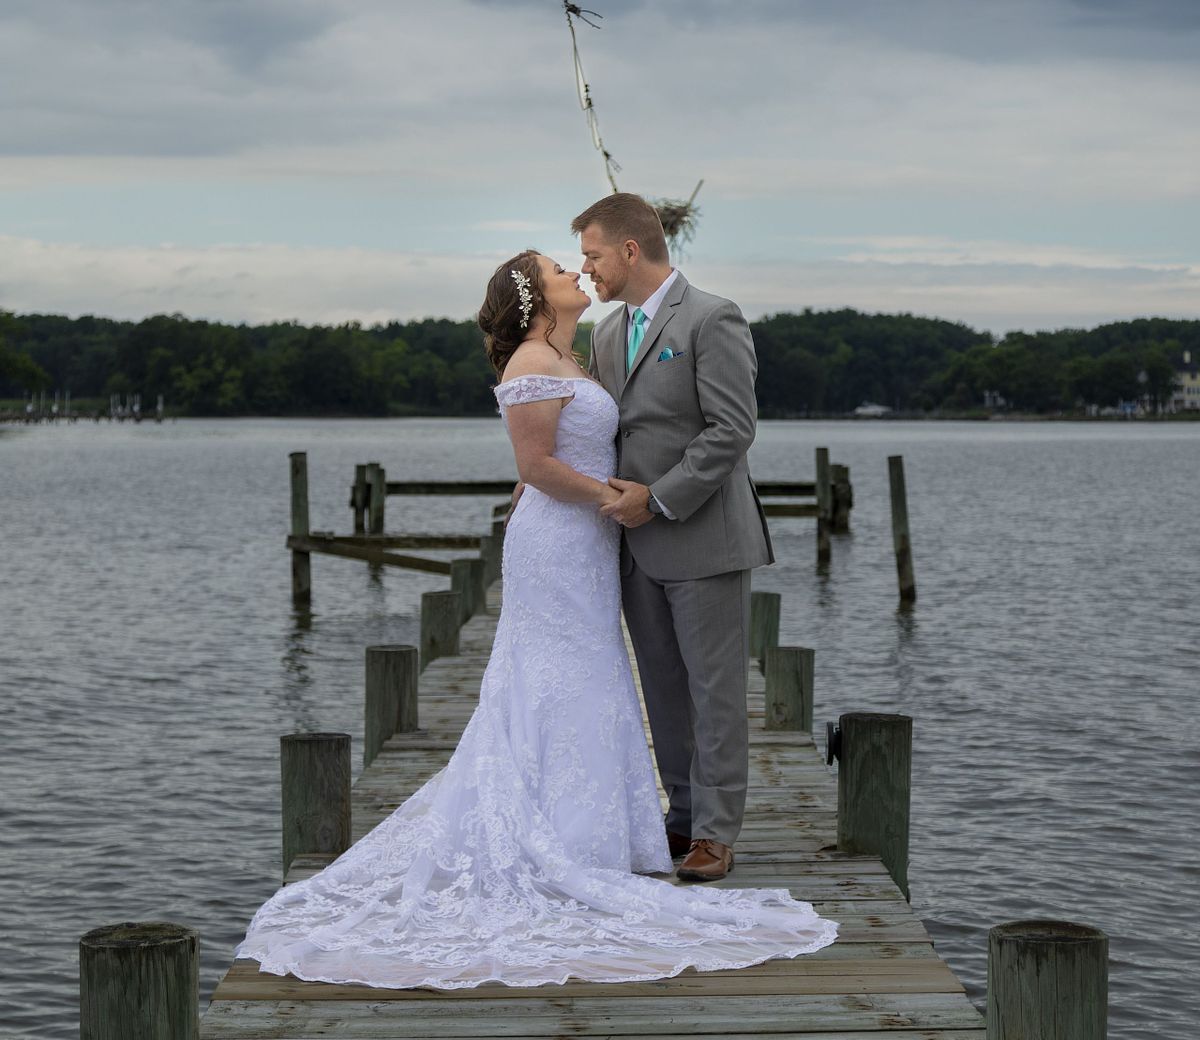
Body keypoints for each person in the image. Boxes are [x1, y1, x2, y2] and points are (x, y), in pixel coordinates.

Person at [234, 250, 836, 990]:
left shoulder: (577, 350)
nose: (576, 270)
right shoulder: (530, 358)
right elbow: (536, 466)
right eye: (560, 265)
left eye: (581, 256)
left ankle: (601, 834)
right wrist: (610, 499)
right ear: (532, 294)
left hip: (593, 541)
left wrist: (615, 501)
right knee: (562, 678)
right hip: (566, 539)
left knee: (594, 677)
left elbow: (614, 434)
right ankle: (568, 840)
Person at [574, 193, 773, 882]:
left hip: (703, 538)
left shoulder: (713, 317)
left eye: (594, 255)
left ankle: (718, 833)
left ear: (631, 250)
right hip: (634, 548)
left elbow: (731, 430)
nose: (587, 268)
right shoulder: (603, 332)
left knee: (714, 691)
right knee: (661, 688)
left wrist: (657, 499)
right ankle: (682, 816)